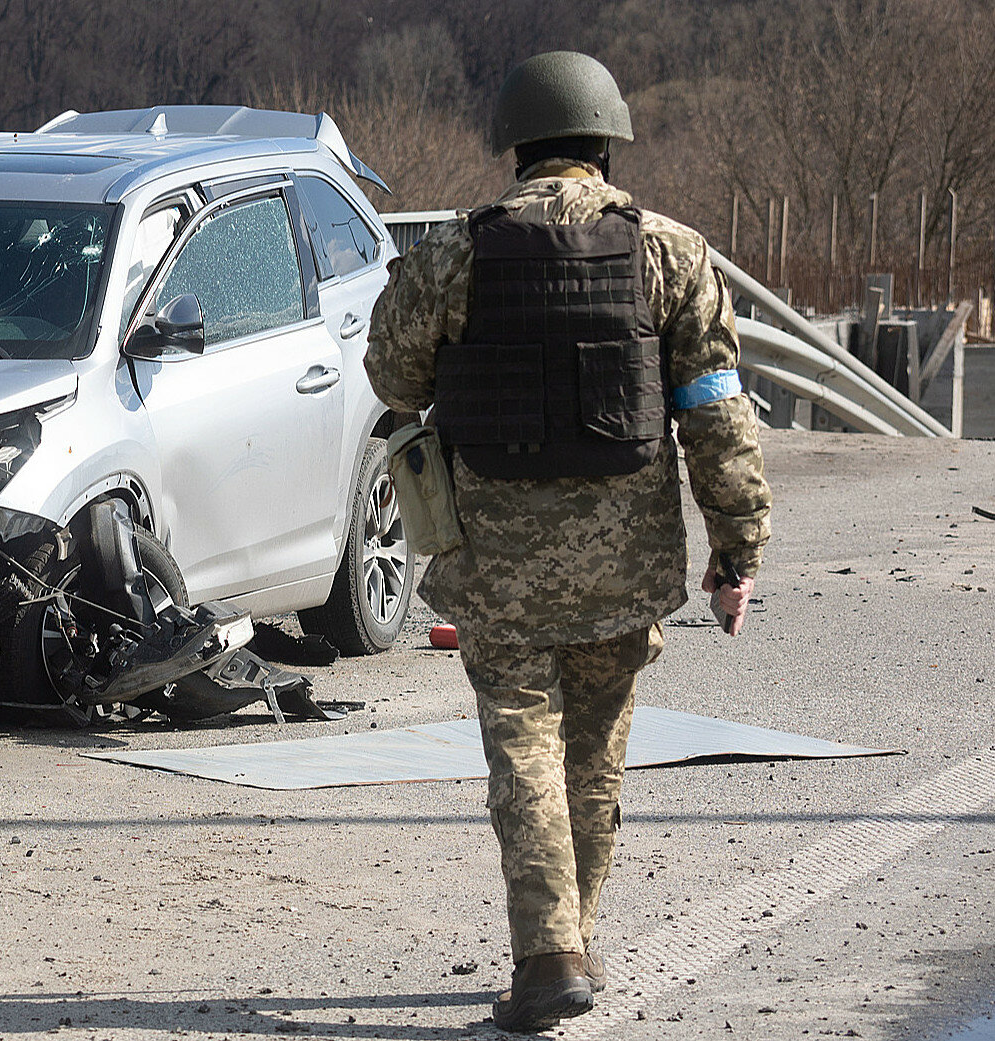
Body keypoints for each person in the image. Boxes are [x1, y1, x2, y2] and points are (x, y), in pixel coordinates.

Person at [365, 51, 772, 1032]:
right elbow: (717, 413)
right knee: (591, 762)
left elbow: (392, 379)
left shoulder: (456, 254)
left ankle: (551, 956)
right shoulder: (671, 253)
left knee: (525, 758)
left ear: (518, 145)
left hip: (496, 570)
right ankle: (570, 945)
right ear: (605, 142)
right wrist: (737, 550)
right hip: (624, 570)